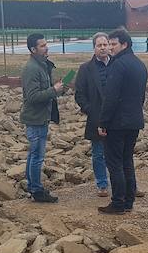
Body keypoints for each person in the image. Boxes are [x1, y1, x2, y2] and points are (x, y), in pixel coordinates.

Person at [97, 28, 148, 214]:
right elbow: (141, 96)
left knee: (115, 163)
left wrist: (103, 122)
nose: (110, 48)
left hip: (117, 123)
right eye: (109, 44)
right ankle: (128, 201)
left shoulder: (118, 65)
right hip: (134, 120)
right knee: (127, 160)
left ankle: (118, 202)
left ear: (124, 44)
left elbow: (111, 97)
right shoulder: (139, 64)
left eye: (113, 44)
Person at [20, 33, 68, 203]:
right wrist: (53, 90)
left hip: (40, 118)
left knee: (34, 154)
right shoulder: (32, 69)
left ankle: (33, 186)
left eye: (46, 44)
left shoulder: (41, 66)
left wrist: (58, 89)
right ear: (33, 49)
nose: (46, 47)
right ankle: (36, 191)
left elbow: (44, 91)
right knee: (37, 156)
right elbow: (32, 97)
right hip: (35, 119)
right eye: (42, 45)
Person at [74, 32, 110, 197]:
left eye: (105, 44)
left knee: (121, 153)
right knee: (98, 153)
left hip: (117, 118)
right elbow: (79, 94)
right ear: (94, 48)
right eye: (99, 45)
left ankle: (126, 183)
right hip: (96, 118)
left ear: (109, 45)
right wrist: (91, 110)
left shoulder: (117, 64)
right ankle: (102, 184)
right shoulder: (85, 69)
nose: (102, 48)